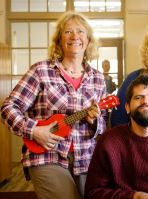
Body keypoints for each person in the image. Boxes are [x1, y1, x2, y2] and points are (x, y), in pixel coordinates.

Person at [1, 12, 107, 199]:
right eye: (68, 32)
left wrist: (94, 122)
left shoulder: (98, 78)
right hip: (46, 155)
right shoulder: (41, 71)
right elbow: (9, 107)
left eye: (81, 32)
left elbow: (103, 124)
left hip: (86, 159)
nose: (75, 37)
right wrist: (33, 131)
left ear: (88, 40)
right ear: (59, 40)